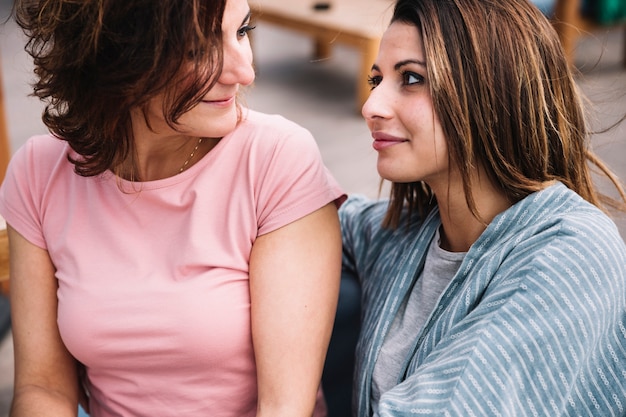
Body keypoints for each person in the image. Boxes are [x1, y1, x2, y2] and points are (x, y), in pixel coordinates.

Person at [0, 0, 345, 415]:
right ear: (119, 56)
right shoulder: (39, 174)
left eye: (242, 32)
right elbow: (43, 389)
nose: (244, 73)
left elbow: (285, 408)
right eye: (198, 50)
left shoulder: (277, 160)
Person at [338, 0, 626, 415]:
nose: (372, 107)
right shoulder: (404, 238)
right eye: (376, 80)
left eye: (412, 78)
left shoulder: (573, 252)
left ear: (492, 89)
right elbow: (311, 215)